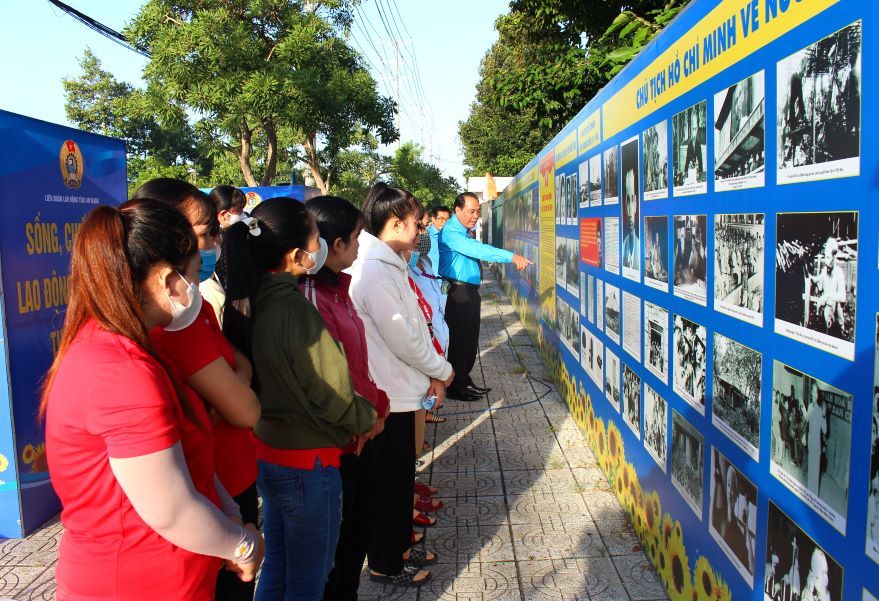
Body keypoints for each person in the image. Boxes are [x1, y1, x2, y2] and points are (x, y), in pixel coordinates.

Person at [41, 199, 264, 600]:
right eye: (194, 273)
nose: (196, 287)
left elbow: (181, 457)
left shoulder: (133, 350)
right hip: (134, 581)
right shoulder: (119, 369)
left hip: (174, 575)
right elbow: (171, 509)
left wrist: (230, 515)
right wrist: (241, 545)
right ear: (166, 280)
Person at [225, 197, 378, 600]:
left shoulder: (251, 301)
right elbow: (331, 392)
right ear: (296, 255)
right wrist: (368, 418)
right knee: (310, 579)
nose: (320, 247)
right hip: (308, 463)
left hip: (271, 455)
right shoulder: (295, 310)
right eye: (316, 239)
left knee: (279, 566)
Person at [133, 179, 262, 601]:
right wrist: (237, 383)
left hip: (229, 483)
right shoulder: (172, 322)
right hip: (209, 496)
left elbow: (238, 364)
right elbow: (245, 409)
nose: (214, 244)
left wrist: (233, 379)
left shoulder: (194, 307)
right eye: (205, 234)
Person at [349, 183, 452, 587]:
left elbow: (414, 327)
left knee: (399, 482)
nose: (422, 227)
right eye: (415, 221)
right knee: (390, 487)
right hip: (388, 394)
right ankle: (387, 563)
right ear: (393, 223)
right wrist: (440, 370)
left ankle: (400, 550)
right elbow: (404, 338)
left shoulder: (390, 263)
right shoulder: (375, 270)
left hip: (400, 389)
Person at [299, 195, 390, 601]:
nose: (359, 245)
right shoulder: (312, 300)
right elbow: (329, 379)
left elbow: (357, 364)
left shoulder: (338, 289)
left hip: (362, 428)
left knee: (357, 533)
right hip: (341, 439)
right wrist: (365, 415)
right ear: (335, 245)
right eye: (354, 237)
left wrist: (377, 406)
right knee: (339, 545)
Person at [438, 192, 530, 401]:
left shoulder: (464, 230)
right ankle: (454, 386)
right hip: (457, 293)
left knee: (470, 339)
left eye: (478, 210)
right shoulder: (452, 232)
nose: (476, 215)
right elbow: (478, 250)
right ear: (458, 210)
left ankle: (463, 379)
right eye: (471, 211)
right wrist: (511, 256)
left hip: (469, 291)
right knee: (459, 341)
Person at [805, 380, 828, 494]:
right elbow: (807, 419)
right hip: (810, 443)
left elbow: (825, 430)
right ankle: (809, 494)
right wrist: (803, 408)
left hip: (816, 446)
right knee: (810, 472)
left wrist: (824, 416)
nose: (813, 394)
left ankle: (813, 496)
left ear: (818, 395)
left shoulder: (820, 410)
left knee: (815, 473)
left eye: (815, 392)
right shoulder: (810, 406)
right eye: (812, 391)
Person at [622, 170, 639, 272]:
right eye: (627, 200)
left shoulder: (642, 247)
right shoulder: (623, 245)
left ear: (636, 203)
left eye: (632, 200)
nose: (629, 211)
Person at [426, 205, 450, 273]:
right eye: (441, 218)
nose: (444, 222)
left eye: (447, 219)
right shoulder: (425, 235)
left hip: (448, 279)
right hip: (431, 279)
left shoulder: (452, 236)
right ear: (433, 219)